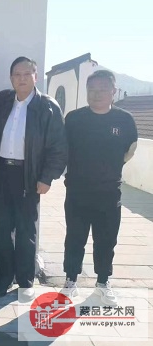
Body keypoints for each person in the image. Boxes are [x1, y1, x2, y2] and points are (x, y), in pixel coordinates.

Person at [0, 57, 67, 302]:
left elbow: (58, 147)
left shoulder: (48, 107)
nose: (21, 78)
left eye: (27, 74)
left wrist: (47, 178)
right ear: (11, 78)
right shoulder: (2, 100)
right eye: (17, 74)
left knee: (26, 231)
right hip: (1, 172)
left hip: (29, 176)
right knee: (2, 230)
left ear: (36, 76)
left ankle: (25, 282)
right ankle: (4, 279)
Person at [61, 70, 137, 305]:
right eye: (92, 89)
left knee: (106, 240)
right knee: (75, 238)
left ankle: (103, 283)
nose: (97, 94)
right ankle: (70, 281)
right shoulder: (74, 119)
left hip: (109, 193)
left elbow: (130, 150)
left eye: (103, 89)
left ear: (113, 91)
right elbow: (63, 149)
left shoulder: (124, 120)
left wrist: (109, 169)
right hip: (77, 191)